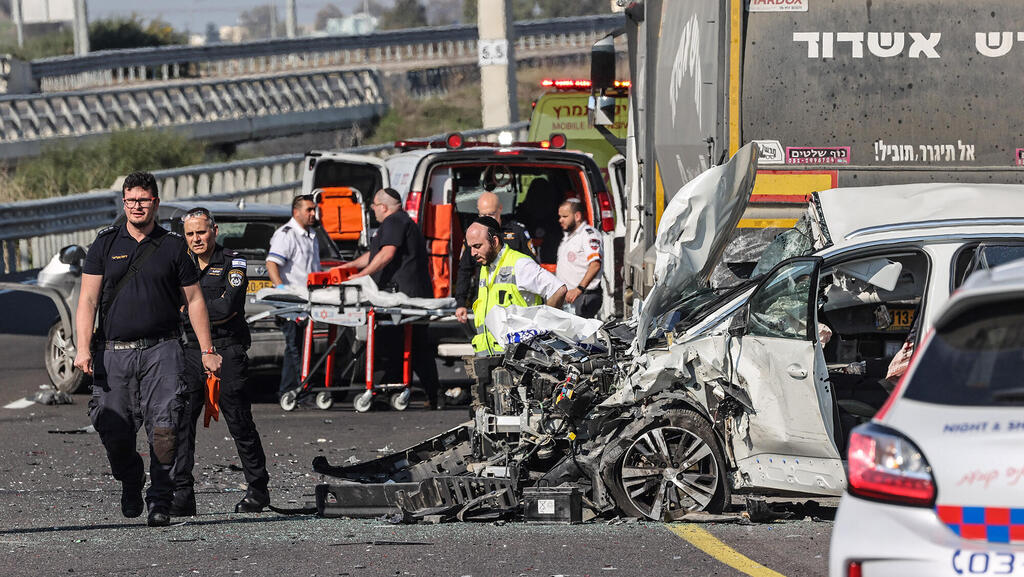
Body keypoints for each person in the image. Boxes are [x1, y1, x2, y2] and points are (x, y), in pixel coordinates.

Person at [73, 171, 222, 528]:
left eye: (143, 200)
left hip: (163, 350)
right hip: (114, 353)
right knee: (112, 426)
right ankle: (130, 477)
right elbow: (88, 299)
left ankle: (160, 499)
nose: (137, 206)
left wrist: (206, 350)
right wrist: (82, 347)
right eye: (130, 200)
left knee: (166, 426)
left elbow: (196, 300)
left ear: (155, 202)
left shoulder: (172, 246)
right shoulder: (105, 244)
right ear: (123, 203)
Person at [171, 207, 271, 517]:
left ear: (214, 230)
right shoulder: (179, 263)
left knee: (239, 421)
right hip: (190, 352)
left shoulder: (233, 261)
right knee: (181, 422)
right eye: (190, 234)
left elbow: (227, 306)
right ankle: (182, 494)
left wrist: (187, 311)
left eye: (201, 232)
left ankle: (258, 490)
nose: (196, 239)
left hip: (227, 349)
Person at [339, 187, 442, 408]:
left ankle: (388, 392)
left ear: (383, 207)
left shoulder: (393, 222)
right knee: (414, 347)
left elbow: (387, 254)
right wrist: (350, 267)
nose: (373, 210)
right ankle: (430, 395)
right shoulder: (402, 222)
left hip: (402, 298)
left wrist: (361, 277)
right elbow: (375, 255)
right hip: (412, 295)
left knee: (393, 346)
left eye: (374, 206)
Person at [461, 216, 567, 354]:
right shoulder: (485, 268)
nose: (473, 253)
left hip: (518, 360)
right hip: (488, 357)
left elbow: (558, 289)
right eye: (470, 247)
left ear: (494, 241)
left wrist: (543, 327)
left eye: (477, 246)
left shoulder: (520, 264)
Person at [266, 194, 320, 399]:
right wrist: (281, 292)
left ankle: (288, 391)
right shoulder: (287, 235)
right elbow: (272, 264)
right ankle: (303, 393)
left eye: (314, 209)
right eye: (309, 210)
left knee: (297, 348)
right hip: (292, 302)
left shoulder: (311, 234)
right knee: (298, 349)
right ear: (295, 212)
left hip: (308, 302)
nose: (313, 214)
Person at [454, 191, 534, 322]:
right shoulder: (474, 233)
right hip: (485, 299)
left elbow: (532, 266)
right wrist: (461, 303)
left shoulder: (517, 232)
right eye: (482, 214)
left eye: (491, 214)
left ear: (500, 209)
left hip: (513, 302)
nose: (487, 218)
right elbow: (464, 270)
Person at [555, 199, 604, 319]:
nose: (560, 220)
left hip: (582, 297)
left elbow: (595, 265)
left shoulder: (588, 235)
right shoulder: (569, 237)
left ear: (577, 216)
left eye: (565, 216)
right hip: (570, 297)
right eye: (560, 216)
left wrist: (579, 289)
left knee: (579, 335)